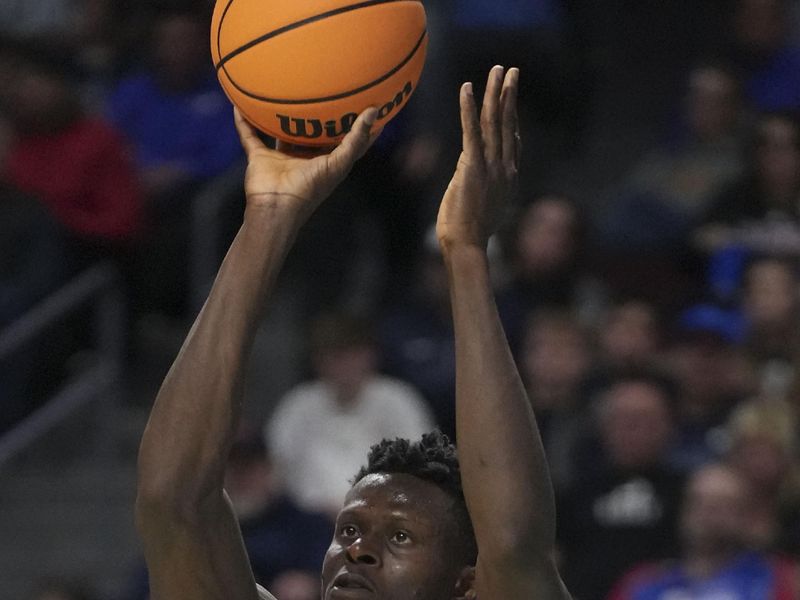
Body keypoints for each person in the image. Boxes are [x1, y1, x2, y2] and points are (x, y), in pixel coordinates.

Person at [135, 66, 571, 599]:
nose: (358, 550)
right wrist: (268, 220)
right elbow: (173, 500)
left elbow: (511, 545)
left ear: (467, 586)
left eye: (402, 536)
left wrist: (466, 254)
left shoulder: (498, 573)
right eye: (348, 531)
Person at [266, 312, 434, 516]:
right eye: (335, 357)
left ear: (370, 356)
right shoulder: (299, 404)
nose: (344, 365)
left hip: (383, 516)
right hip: (310, 524)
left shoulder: (398, 400)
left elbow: (419, 467)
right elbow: (275, 468)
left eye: (352, 355)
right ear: (318, 360)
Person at [609, 463, 800, 600]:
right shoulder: (643, 583)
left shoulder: (780, 579)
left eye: (723, 504)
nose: (709, 513)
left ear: (745, 516)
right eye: (699, 502)